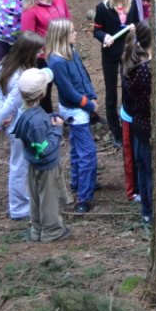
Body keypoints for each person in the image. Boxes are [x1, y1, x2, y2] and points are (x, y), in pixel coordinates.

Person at [0, 32, 47, 221]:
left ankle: (27, 199)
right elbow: (9, 106)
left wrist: (1, 107)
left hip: (17, 123)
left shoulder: (6, 63)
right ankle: (19, 208)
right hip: (19, 127)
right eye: (39, 51)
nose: (41, 53)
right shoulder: (21, 79)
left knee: (23, 163)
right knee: (20, 166)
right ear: (28, 52)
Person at [12, 68, 72, 243]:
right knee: (49, 198)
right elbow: (44, 149)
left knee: (36, 198)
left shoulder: (24, 113)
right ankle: (52, 231)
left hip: (33, 164)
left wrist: (49, 119)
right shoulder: (37, 121)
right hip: (47, 166)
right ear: (42, 93)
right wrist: (57, 129)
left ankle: (37, 229)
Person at [46, 19, 99, 214]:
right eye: (72, 31)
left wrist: (92, 96)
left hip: (82, 106)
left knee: (78, 149)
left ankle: (79, 183)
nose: (76, 33)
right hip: (75, 111)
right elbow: (68, 91)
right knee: (87, 154)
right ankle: (84, 197)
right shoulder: (57, 61)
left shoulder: (71, 51)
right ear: (62, 36)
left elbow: (84, 76)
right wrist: (88, 104)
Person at [93, 0, 140, 149]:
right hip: (111, 55)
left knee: (129, 88)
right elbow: (97, 30)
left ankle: (129, 125)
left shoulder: (132, 3)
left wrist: (134, 27)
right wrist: (104, 36)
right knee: (111, 93)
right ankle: (115, 131)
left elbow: (136, 22)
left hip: (128, 53)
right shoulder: (103, 8)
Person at [122, 23, 153, 223]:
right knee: (149, 171)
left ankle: (146, 210)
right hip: (148, 126)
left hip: (138, 124)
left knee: (142, 168)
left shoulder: (132, 63)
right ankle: (151, 212)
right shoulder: (147, 70)